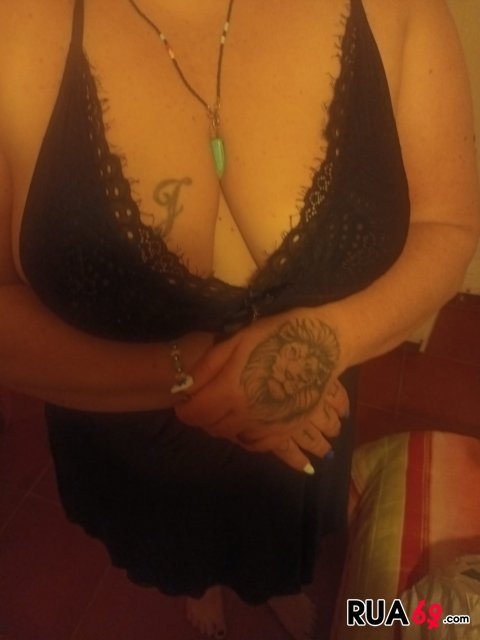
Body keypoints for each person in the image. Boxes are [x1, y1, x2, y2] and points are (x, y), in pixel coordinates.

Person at [0, 0, 478, 638]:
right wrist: (209, 375)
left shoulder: (402, 10)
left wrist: (324, 344)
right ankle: (199, 587)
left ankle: (274, 583)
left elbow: (447, 226)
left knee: (281, 548)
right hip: (132, 448)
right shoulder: (14, 29)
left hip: (305, 432)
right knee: (176, 552)